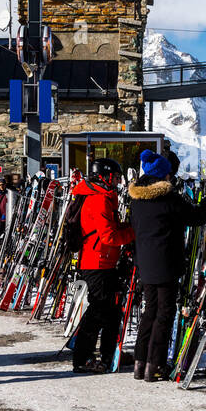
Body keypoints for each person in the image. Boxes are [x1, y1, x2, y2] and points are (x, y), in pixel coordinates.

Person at [127, 149, 206, 381]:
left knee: (149, 312)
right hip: (166, 263)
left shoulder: (136, 200)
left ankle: (140, 362)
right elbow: (195, 217)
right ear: (162, 175)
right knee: (164, 314)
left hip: (145, 263)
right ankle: (154, 365)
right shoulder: (168, 199)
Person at [69, 158, 134, 373]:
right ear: (105, 177)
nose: (117, 182)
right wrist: (134, 232)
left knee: (112, 310)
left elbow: (111, 228)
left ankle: (109, 353)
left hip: (103, 261)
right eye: (115, 177)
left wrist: (129, 226)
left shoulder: (103, 196)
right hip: (97, 262)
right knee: (98, 310)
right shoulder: (99, 199)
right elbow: (108, 236)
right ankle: (82, 357)